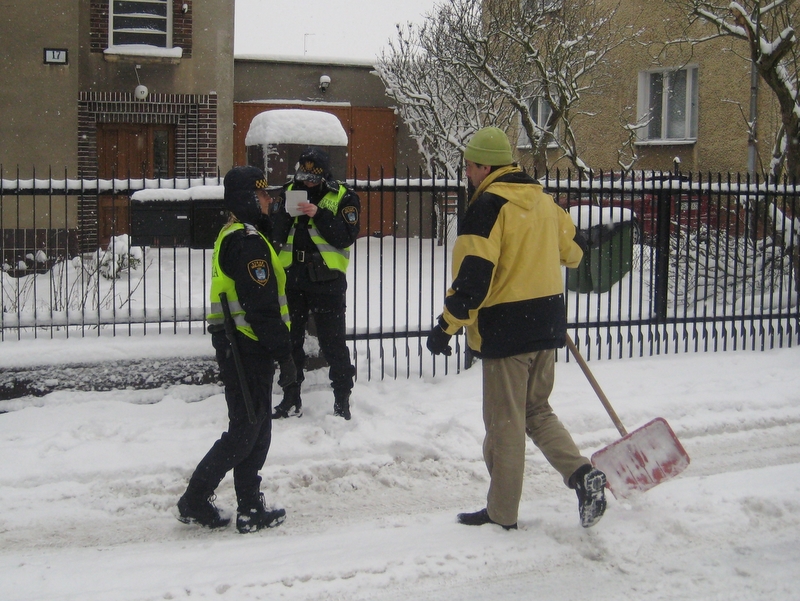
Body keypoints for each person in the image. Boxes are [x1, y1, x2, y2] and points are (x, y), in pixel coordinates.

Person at [426, 127, 607, 530]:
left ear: (485, 165)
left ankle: (501, 513)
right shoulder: (543, 202)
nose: (467, 174)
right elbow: (573, 252)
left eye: (469, 166)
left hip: (507, 331)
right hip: (546, 324)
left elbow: (473, 278)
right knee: (536, 411)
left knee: (506, 424)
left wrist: (446, 326)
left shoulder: (487, 207)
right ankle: (582, 474)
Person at [177, 165, 296, 534]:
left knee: (257, 428)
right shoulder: (244, 242)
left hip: (246, 347)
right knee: (245, 430)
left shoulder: (245, 236)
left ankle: (249, 506)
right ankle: (195, 499)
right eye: (262, 195)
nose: (269, 200)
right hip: (245, 348)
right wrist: (285, 355)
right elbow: (261, 308)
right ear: (247, 198)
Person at [269, 147, 360, 420]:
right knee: (290, 342)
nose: (306, 182)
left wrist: (317, 213)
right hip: (293, 277)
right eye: (303, 176)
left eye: (312, 178)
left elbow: (345, 236)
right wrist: (285, 211)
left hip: (327, 280)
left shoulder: (343, 196)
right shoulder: (288, 190)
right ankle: (291, 397)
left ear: (323, 175)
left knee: (333, 343)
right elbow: (275, 234)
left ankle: (342, 399)